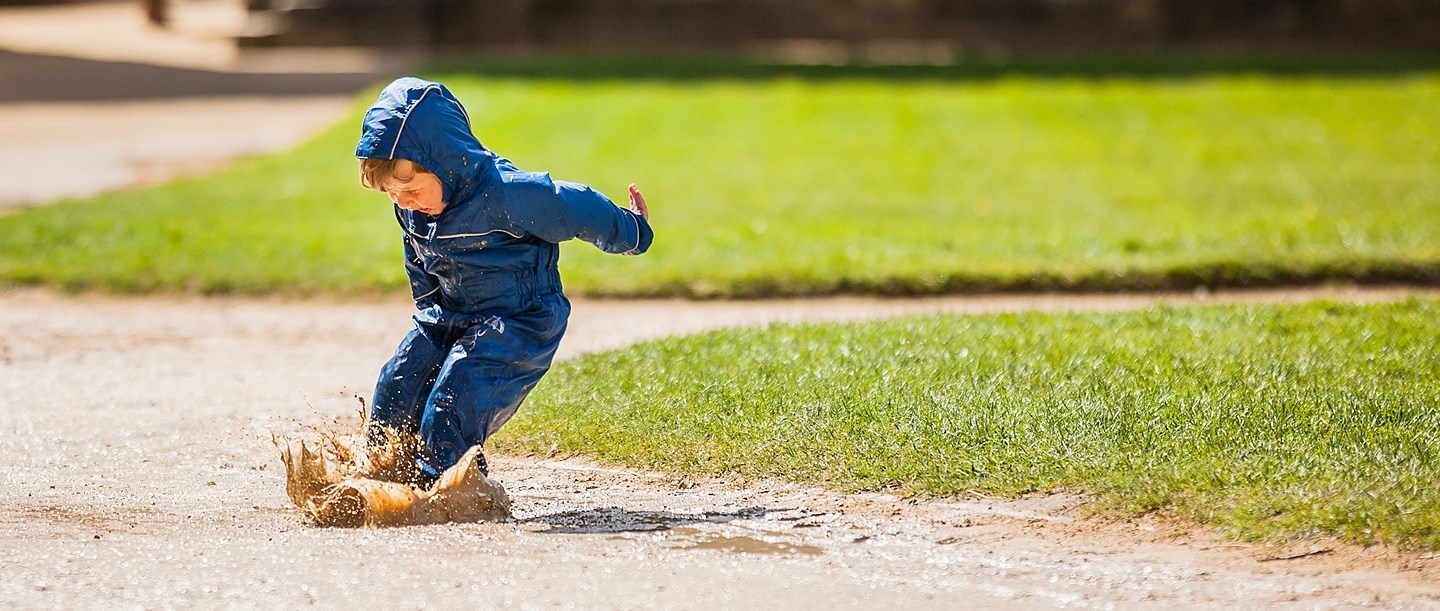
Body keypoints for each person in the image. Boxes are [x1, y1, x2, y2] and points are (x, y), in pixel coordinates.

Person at [356, 77, 653, 488]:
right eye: (392, 194)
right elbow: (418, 259)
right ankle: (383, 476)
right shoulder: (414, 209)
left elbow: (579, 207)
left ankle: (449, 489)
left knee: (455, 396)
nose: (404, 202)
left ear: (446, 164)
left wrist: (633, 230)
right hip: (451, 315)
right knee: (398, 383)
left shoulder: (508, 196)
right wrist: (429, 319)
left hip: (520, 320)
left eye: (410, 190)